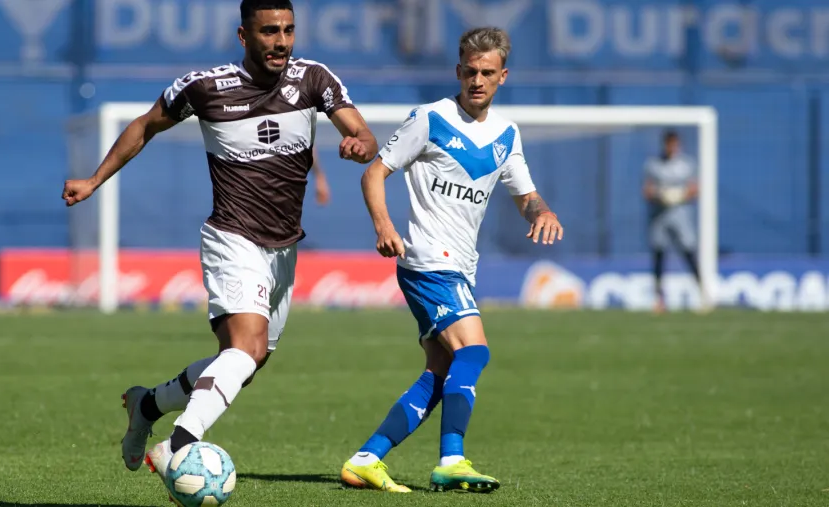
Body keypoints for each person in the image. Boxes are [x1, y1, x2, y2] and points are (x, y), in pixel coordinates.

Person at [61, 0, 377, 486]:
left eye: (288, 30)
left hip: (284, 247)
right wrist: (94, 179)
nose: (281, 42)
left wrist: (360, 144)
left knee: (247, 360)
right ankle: (179, 445)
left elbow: (362, 132)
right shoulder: (206, 87)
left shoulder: (313, 78)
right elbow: (145, 125)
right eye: (269, 31)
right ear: (244, 35)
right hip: (233, 236)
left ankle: (147, 405)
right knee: (245, 347)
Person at [340, 27, 563, 494]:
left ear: (503, 76)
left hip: (460, 265)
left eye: (487, 73)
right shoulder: (430, 118)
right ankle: (452, 459)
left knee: (440, 374)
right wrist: (384, 226)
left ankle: (366, 459)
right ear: (458, 71)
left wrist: (542, 211)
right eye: (470, 72)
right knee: (474, 351)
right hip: (427, 259)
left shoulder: (506, 134)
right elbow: (374, 173)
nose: (477, 81)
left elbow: (526, 196)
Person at [642, 130, 701, 312]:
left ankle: (702, 292)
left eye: (675, 144)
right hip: (659, 215)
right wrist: (661, 195)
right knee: (659, 254)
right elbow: (647, 190)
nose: (672, 147)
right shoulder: (653, 165)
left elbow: (694, 189)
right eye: (669, 144)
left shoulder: (687, 164)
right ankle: (659, 299)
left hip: (680, 215)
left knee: (688, 252)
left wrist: (679, 195)